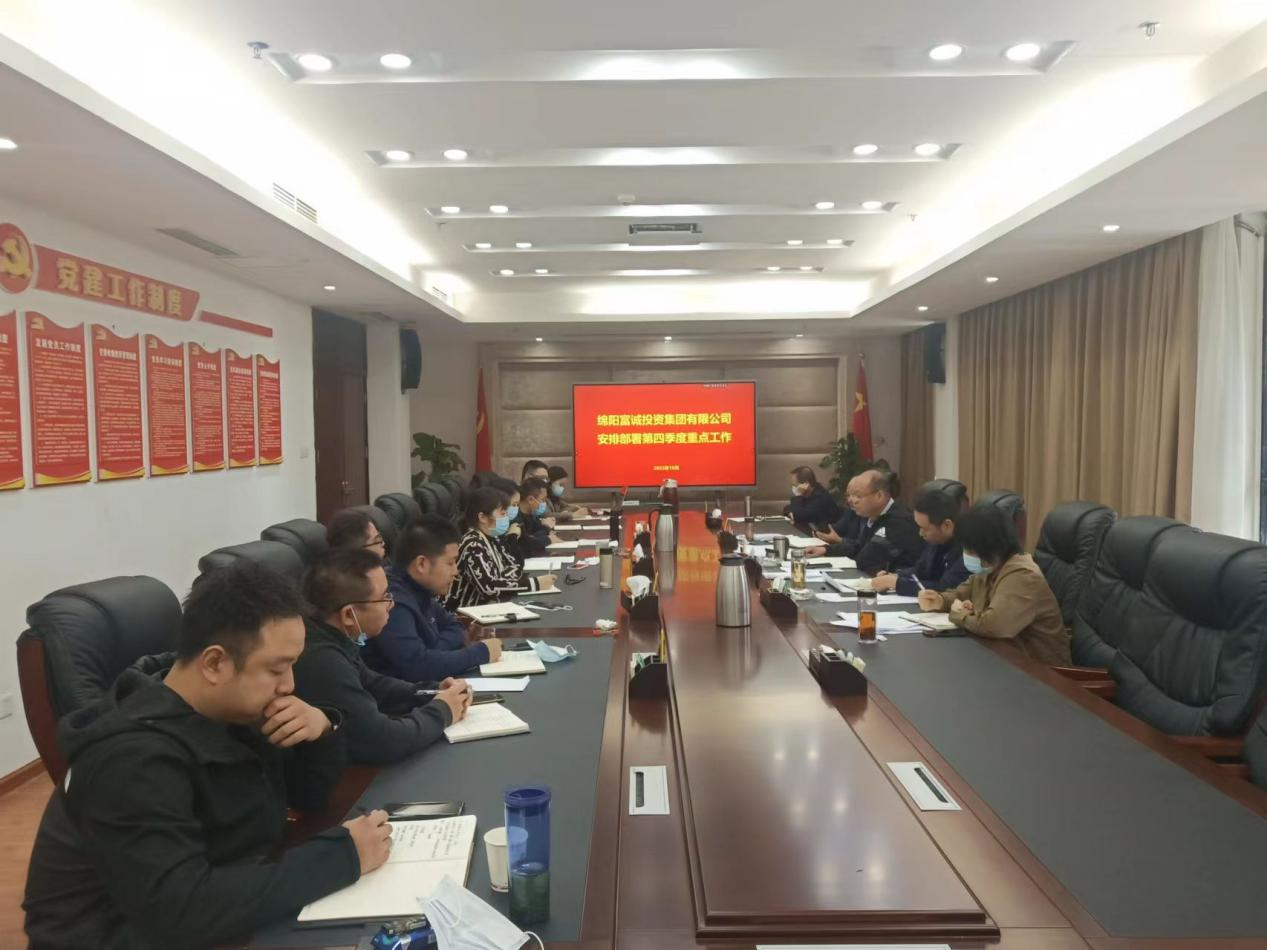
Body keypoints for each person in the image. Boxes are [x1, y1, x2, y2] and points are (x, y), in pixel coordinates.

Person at [23, 562, 394, 950]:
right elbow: (181, 912)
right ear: (215, 663)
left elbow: (306, 798)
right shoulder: (132, 760)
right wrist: (342, 857)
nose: (289, 685)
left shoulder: (229, 710)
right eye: (277, 669)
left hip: (214, 908)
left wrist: (322, 729)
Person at [293, 548, 472, 765]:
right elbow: (383, 741)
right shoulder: (322, 659)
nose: (391, 604)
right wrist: (442, 711)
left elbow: (374, 685)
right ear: (349, 614)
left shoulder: (335, 636)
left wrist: (434, 691)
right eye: (384, 597)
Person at [916, 505, 1071, 665]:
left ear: (989, 547)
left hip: (1040, 669)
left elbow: (994, 625)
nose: (966, 555)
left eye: (970, 550)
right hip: (1001, 657)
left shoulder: (1022, 575)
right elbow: (961, 593)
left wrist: (959, 614)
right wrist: (940, 600)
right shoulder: (988, 568)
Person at [363, 515, 504, 681]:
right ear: (422, 564)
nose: (456, 571)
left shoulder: (419, 588)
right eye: (450, 563)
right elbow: (417, 666)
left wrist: (433, 651)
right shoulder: (392, 600)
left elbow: (455, 627)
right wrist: (481, 652)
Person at [446, 487, 557, 610]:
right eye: (502, 514)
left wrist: (503, 578)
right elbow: (490, 587)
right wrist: (535, 584)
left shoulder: (493, 537)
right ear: (482, 517)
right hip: (462, 614)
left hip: (487, 608)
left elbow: (515, 565)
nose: (506, 518)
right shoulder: (472, 544)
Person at [804, 468, 923, 574]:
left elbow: (865, 560)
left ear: (879, 495)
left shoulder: (898, 521)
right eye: (850, 495)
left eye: (858, 496)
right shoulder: (874, 515)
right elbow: (860, 546)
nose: (852, 501)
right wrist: (826, 550)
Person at [871, 482, 969, 595]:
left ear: (947, 525)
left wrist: (897, 584)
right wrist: (895, 576)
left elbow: (947, 588)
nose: (920, 533)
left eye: (925, 529)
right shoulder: (937, 541)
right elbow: (920, 570)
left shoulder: (968, 548)